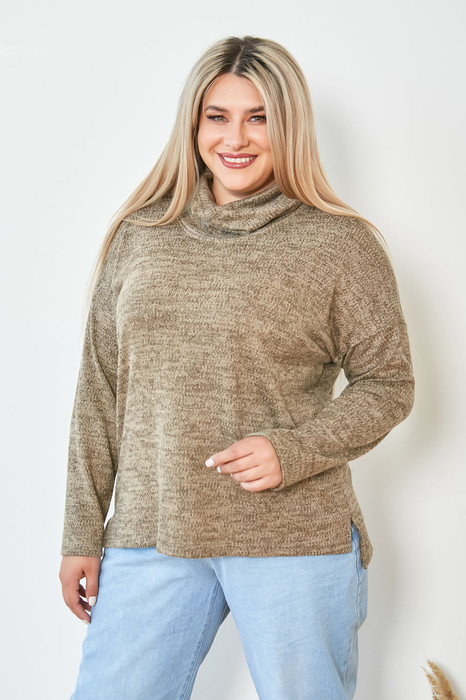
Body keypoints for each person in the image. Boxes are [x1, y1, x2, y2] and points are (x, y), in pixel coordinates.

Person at [59, 35, 415, 700]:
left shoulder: (340, 244)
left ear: (290, 125)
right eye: (217, 116)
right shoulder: (141, 236)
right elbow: (101, 390)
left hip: (291, 536)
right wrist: (81, 530)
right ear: (193, 124)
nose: (236, 138)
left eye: (259, 118)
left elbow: (389, 383)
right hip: (152, 530)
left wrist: (294, 450)